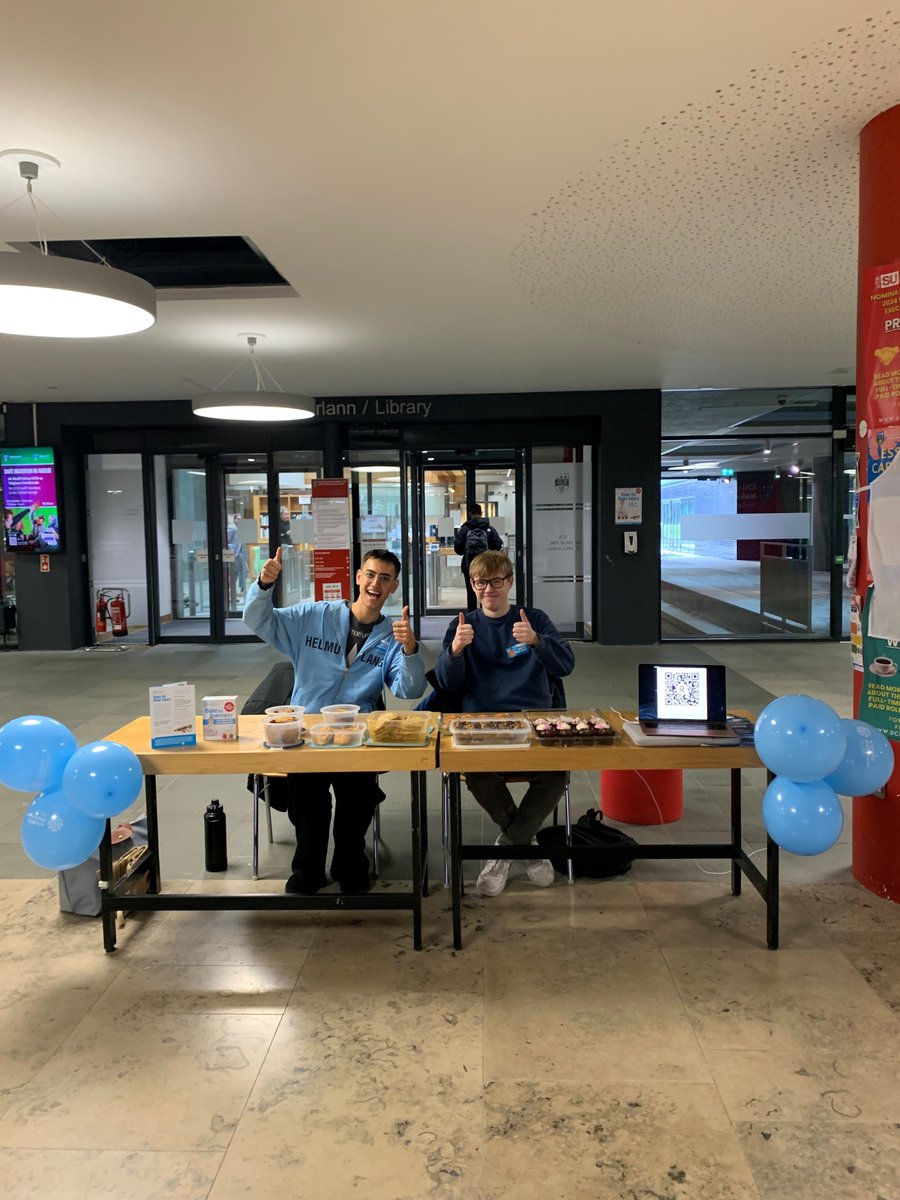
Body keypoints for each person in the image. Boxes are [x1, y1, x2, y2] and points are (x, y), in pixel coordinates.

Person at [243, 546, 425, 895]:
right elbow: (259, 620)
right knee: (308, 805)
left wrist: (411, 650)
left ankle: (350, 862)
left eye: (385, 579)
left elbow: (408, 687)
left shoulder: (391, 635)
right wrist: (263, 586)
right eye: (370, 575)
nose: (376, 584)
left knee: (357, 803)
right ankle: (307, 867)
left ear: (394, 587)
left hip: (357, 736)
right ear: (358, 577)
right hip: (308, 734)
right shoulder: (313, 616)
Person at [433, 549, 575, 897]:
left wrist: (537, 642)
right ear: (472, 584)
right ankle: (526, 844)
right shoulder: (463, 624)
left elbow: (566, 665)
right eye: (481, 582)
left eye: (497, 581)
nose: (489, 589)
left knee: (557, 774)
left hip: (533, 720)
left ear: (510, 582)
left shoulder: (534, 619)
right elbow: (447, 685)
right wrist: (454, 652)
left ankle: (509, 847)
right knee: (478, 775)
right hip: (481, 724)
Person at [454, 504, 502, 612]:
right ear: (481, 513)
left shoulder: (465, 529)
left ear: (470, 514)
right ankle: (485, 613)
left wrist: (466, 552)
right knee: (486, 590)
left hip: (469, 566)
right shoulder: (489, 528)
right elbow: (498, 545)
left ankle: (472, 615)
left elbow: (457, 548)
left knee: (471, 591)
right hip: (487, 566)